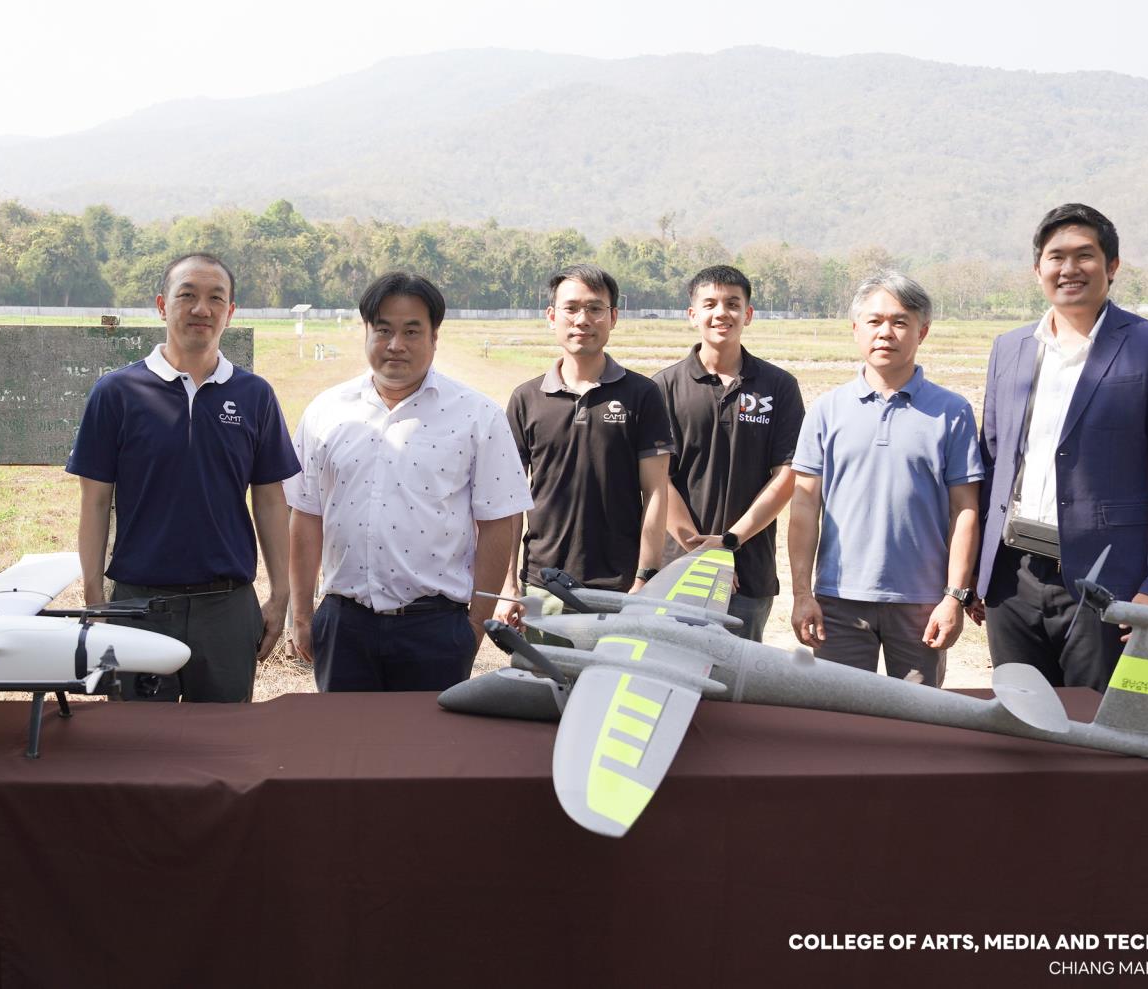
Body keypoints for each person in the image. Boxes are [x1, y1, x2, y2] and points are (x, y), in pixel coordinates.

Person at [975, 204, 1148, 690]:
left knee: (1096, 723)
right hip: (1012, 580)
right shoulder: (1010, 348)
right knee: (1021, 718)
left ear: (1112, 266)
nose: (1069, 268)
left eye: (1085, 255)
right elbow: (992, 462)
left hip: (1107, 583)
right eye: (1056, 257)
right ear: (1038, 269)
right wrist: (979, 571)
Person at [66, 253, 300, 703]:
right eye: (187, 295)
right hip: (138, 605)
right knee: (138, 737)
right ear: (161, 305)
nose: (201, 309)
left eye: (216, 298)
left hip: (226, 607)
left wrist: (280, 593)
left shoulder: (254, 395)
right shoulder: (117, 393)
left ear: (230, 312)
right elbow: (94, 502)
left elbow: (270, 500)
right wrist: (95, 598)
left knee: (223, 736)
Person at [287, 272, 533, 692]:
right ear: (366, 333)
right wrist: (303, 615)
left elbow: (497, 523)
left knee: (427, 735)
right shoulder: (325, 411)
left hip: (435, 628)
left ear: (435, 337)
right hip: (344, 624)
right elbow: (306, 514)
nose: (395, 344)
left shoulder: (477, 416)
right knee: (345, 735)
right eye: (383, 330)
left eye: (411, 331)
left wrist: (475, 625)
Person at [788, 274, 983, 686]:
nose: (886, 333)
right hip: (839, 600)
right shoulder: (827, 410)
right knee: (839, 714)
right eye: (874, 321)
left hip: (922, 605)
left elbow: (964, 509)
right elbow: (804, 505)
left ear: (922, 332)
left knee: (915, 717)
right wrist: (802, 594)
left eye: (900, 322)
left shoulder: (952, 412)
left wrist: (953, 597)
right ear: (855, 329)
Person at [497, 264, 672, 625]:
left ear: (613, 317)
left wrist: (645, 578)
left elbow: (656, 491)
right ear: (551, 316)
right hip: (542, 585)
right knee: (540, 664)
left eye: (595, 309)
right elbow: (509, 499)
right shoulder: (526, 398)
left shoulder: (642, 395)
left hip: (620, 588)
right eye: (571, 308)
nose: (582, 320)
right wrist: (508, 585)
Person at [653, 265, 805, 641]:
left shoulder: (779, 386)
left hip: (749, 573)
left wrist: (730, 542)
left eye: (733, 304)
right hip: (678, 571)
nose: (722, 313)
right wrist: (702, 555)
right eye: (710, 304)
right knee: (673, 667)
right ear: (693, 315)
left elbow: (786, 475)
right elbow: (657, 479)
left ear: (748, 314)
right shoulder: (663, 388)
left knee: (737, 674)